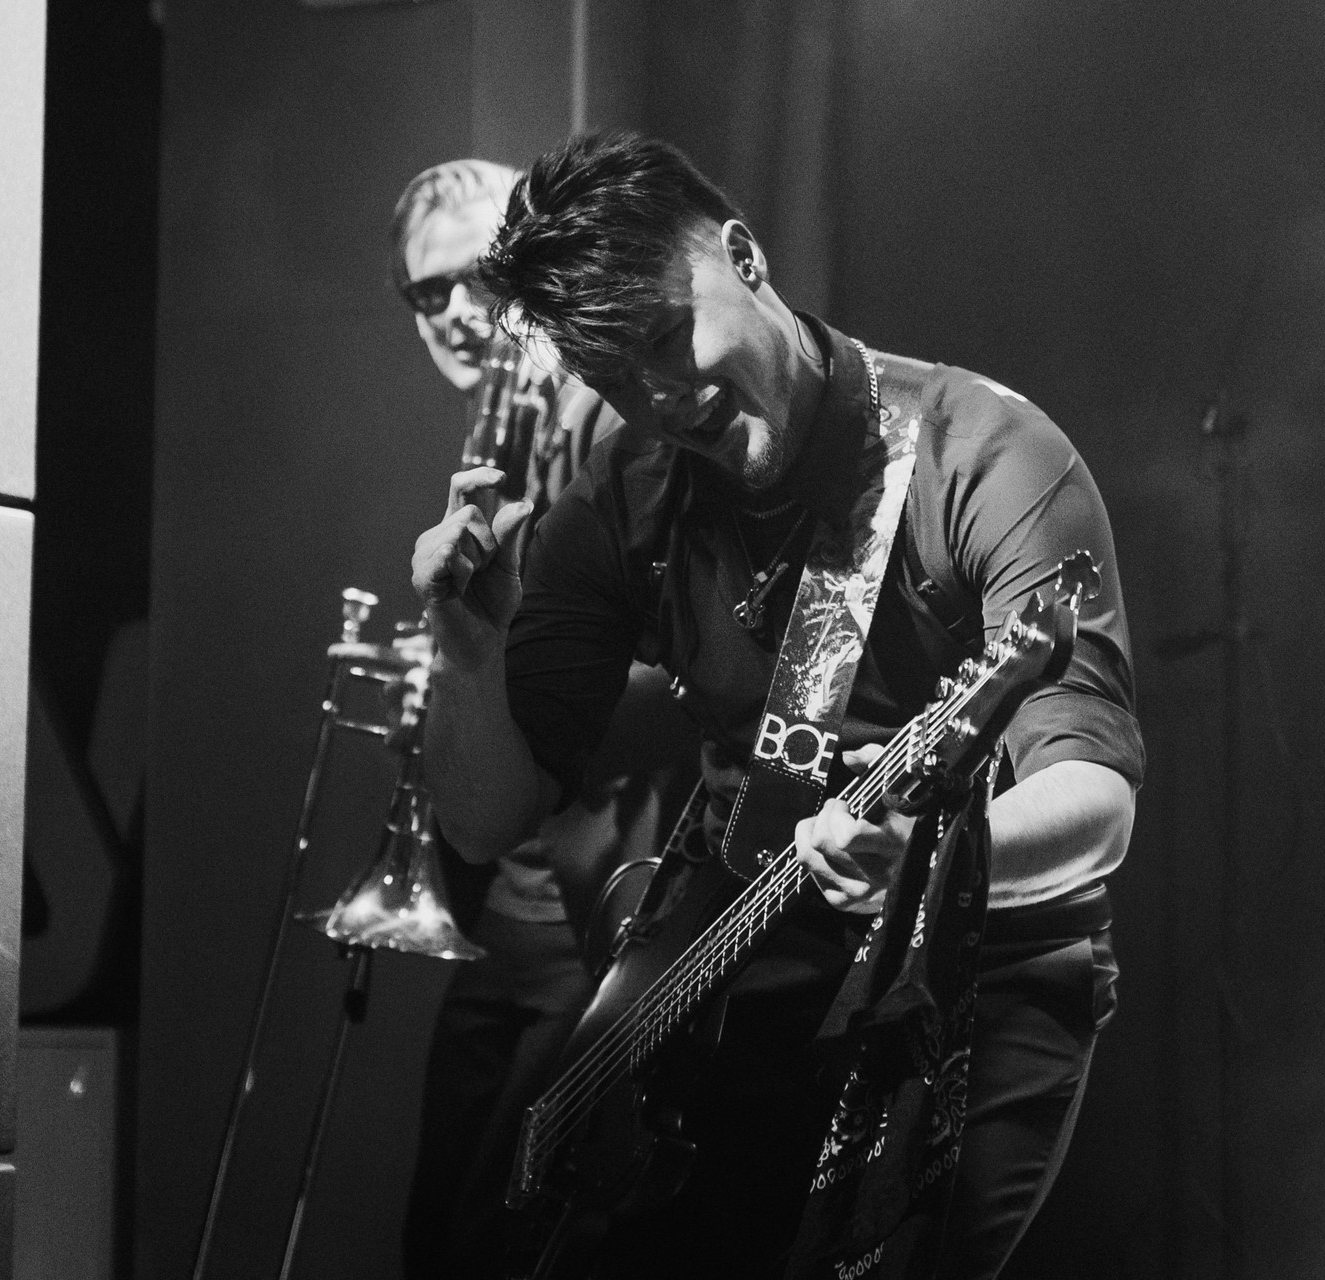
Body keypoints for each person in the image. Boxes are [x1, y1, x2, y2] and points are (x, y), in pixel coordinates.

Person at [411, 133, 1144, 1279]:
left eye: (668, 336)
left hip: (975, 968)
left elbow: (1095, 800)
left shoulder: (984, 453)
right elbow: (481, 820)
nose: (663, 397)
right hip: (735, 963)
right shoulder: (624, 496)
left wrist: (935, 858)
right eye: (616, 378)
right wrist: (467, 641)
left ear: (744, 257)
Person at [387, 158, 697, 1280]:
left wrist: (506, 681)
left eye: (480, 276)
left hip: (598, 889)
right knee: (440, 1232)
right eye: (427, 292)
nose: (457, 310)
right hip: (508, 893)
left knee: (519, 1235)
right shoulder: (500, 429)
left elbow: (695, 669)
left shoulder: (624, 424)